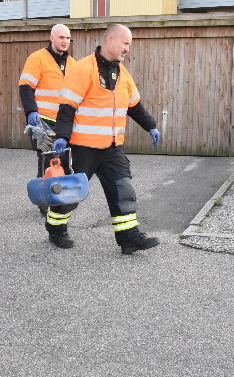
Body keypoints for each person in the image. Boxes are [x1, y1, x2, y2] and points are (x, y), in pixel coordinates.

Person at [46, 24, 162, 255]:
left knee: (123, 190)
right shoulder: (82, 69)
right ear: (110, 39)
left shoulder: (123, 74)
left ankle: (129, 239)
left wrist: (151, 126)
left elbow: (135, 107)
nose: (128, 48)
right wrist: (62, 136)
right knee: (71, 194)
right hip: (83, 148)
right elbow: (67, 107)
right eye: (125, 43)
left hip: (112, 148)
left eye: (129, 44)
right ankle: (55, 228)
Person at [19, 24, 76, 214]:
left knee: (65, 163)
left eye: (68, 38)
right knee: (47, 163)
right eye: (61, 37)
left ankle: (60, 200)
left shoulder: (73, 64)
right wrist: (30, 112)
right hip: (42, 121)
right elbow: (26, 86)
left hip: (64, 122)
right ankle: (45, 203)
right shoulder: (37, 59)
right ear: (52, 38)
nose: (65, 41)